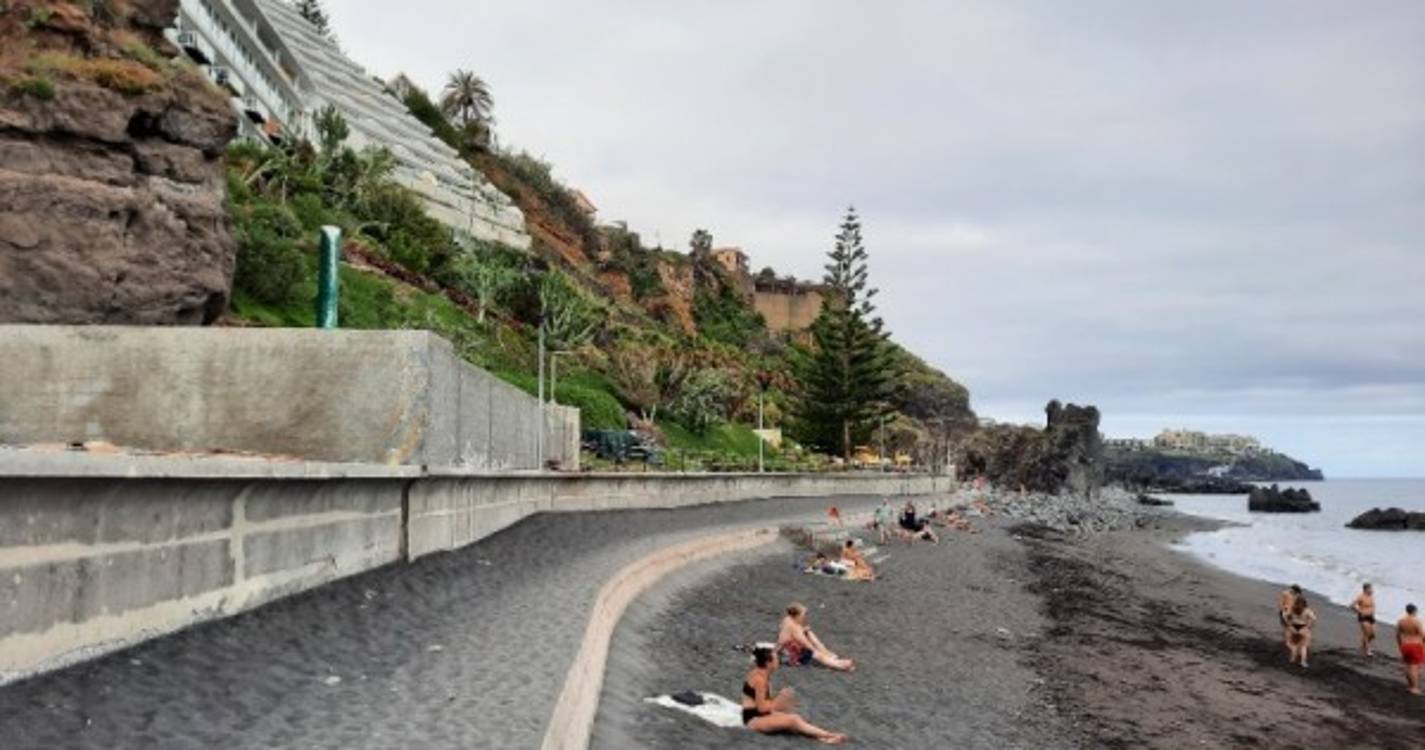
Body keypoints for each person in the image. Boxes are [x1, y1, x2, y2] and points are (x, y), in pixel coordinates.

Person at [741, 644, 848, 743]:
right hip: (753, 720)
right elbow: (762, 708)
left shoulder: (761, 672)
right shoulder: (760, 679)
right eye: (776, 659)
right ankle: (828, 735)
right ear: (768, 663)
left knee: (795, 718)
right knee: (792, 720)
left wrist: (779, 702)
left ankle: (823, 736)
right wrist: (779, 700)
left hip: (758, 715)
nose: (778, 661)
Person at [778, 603, 855, 671]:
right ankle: (838, 665)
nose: (805, 616)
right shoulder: (794, 627)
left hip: (790, 650)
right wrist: (822, 654)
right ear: (797, 615)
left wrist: (824, 651)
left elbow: (813, 641)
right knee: (814, 653)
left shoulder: (791, 620)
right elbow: (808, 645)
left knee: (809, 634)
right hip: (789, 657)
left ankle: (832, 658)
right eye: (804, 614)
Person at [1284, 594, 1317, 668]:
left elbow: (1286, 617)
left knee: (1293, 644)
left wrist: (1289, 626)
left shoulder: (1291, 609)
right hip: (1303, 627)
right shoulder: (1307, 610)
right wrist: (1308, 627)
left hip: (1293, 627)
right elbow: (1314, 619)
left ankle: (1292, 659)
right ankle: (1303, 662)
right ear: (1305, 602)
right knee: (1303, 647)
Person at [1397, 604, 1423, 695]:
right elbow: (1423, 635)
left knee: (1408, 666)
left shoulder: (1401, 621)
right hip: (1415, 645)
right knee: (1414, 667)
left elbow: (1398, 635)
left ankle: (1410, 686)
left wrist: (1400, 646)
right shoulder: (1416, 621)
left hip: (1405, 645)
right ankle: (1414, 688)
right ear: (1415, 611)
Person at [1350, 583, 1377, 657]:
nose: (1372, 590)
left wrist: (1372, 613)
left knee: (1373, 635)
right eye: (1370, 589)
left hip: (1371, 617)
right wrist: (1359, 611)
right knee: (1366, 633)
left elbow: (1372, 607)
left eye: (1372, 588)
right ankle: (1368, 650)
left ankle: (1362, 646)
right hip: (1363, 617)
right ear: (1366, 589)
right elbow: (1351, 605)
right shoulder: (1361, 597)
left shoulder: (1371, 597)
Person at [1279, 584, 1302, 652]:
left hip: (1291, 613)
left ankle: (1288, 640)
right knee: (1286, 627)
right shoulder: (1285, 593)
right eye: (1294, 591)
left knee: (1289, 627)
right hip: (1285, 612)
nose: (1295, 593)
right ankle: (1287, 641)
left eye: (1296, 593)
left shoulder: (1297, 596)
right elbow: (1281, 603)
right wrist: (1283, 611)